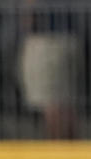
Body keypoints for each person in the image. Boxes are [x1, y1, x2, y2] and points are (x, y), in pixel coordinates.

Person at [18, 0, 83, 139]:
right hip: (68, 37)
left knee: (51, 102)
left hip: (47, 39)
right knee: (65, 102)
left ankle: (59, 151)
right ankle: (71, 152)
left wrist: (27, 19)